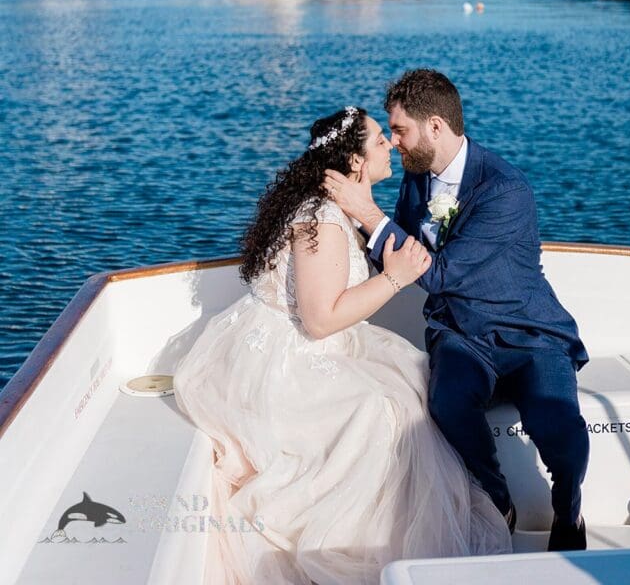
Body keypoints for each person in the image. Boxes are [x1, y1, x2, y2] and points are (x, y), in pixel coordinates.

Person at [173, 105, 511, 585]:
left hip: (320, 344)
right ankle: (356, 545)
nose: (391, 144)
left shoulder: (337, 211)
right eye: (378, 140)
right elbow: (319, 319)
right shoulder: (323, 220)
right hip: (285, 360)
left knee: (413, 378)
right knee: (379, 410)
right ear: (355, 162)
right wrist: (395, 278)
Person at [325, 70, 590, 552]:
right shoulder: (415, 178)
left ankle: (568, 510)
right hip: (460, 334)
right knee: (447, 401)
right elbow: (397, 245)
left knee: (562, 431)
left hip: (527, 332)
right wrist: (349, 229)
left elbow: (439, 273)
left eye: (400, 131)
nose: (396, 143)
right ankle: (497, 501)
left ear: (435, 127)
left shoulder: (504, 189)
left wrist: (367, 213)